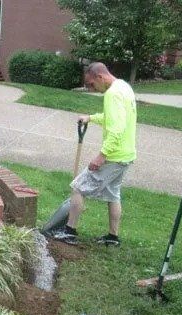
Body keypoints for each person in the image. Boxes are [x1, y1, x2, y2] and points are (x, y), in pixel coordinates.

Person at [52, 62, 137, 247]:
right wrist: (91, 118)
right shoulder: (123, 87)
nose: (92, 88)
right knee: (113, 195)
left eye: (92, 84)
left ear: (100, 77)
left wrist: (101, 156)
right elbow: (113, 118)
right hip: (126, 155)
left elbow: (116, 130)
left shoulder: (112, 94)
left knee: (78, 187)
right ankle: (113, 238)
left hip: (113, 157)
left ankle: (69, 232)